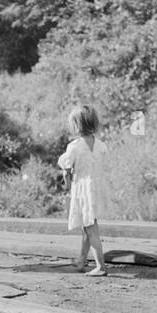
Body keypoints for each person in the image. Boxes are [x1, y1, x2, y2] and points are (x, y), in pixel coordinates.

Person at [58, 104, 107, 276]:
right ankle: (81, 260)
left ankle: (100, 266)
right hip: (96, 187)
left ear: (76, 126)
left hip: (82, 188)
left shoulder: (74, 146)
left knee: (91, 228)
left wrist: (68, 184)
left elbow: (66, 170)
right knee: (87, 226)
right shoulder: (101, 145)